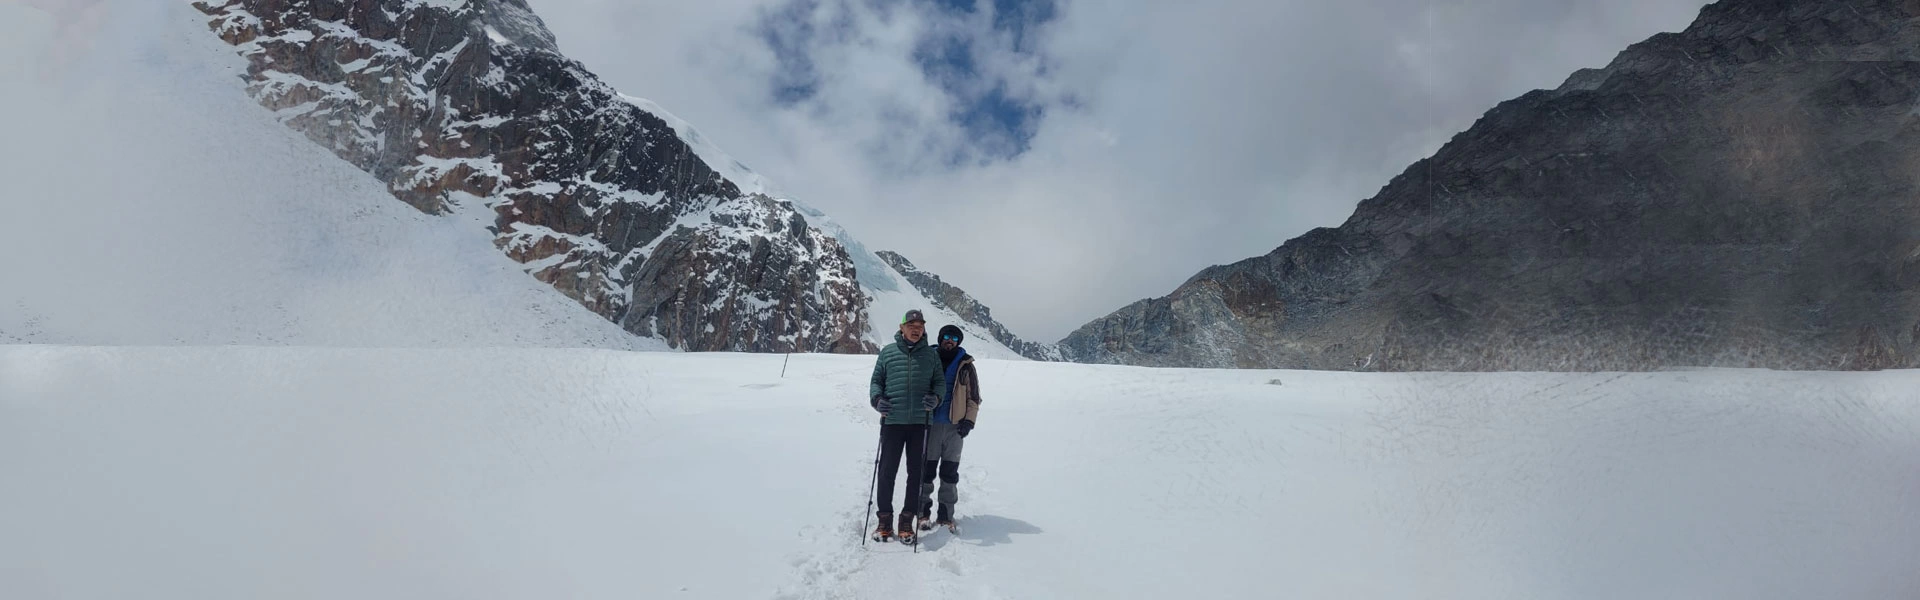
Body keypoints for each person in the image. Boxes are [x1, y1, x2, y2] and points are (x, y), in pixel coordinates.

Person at [868, 309, 946, 544]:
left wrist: (936, 398)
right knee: (886, 472)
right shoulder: (888, 353)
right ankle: (884, 520)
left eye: (920, 326)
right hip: (892, 421)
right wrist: (877, 399)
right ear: (901, 328)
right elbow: (876, 382)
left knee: (916, 475)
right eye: (911, 325)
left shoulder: (931, 356)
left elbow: (939, 383)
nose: (916, 329)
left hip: (920, 423)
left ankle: (906, 521)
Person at [918, 324, 981, 533]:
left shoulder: (966, 366)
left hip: (955, 428)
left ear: (959, 342)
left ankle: (945, 516)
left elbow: (974, 398)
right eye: (946, 336)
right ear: (940, 337)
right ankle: (922, 514)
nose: (950, 340)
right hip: (930, 425)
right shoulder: (929, 359)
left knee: (949, 473)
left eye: (954, 338)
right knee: (926, 473)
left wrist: (968, 422)